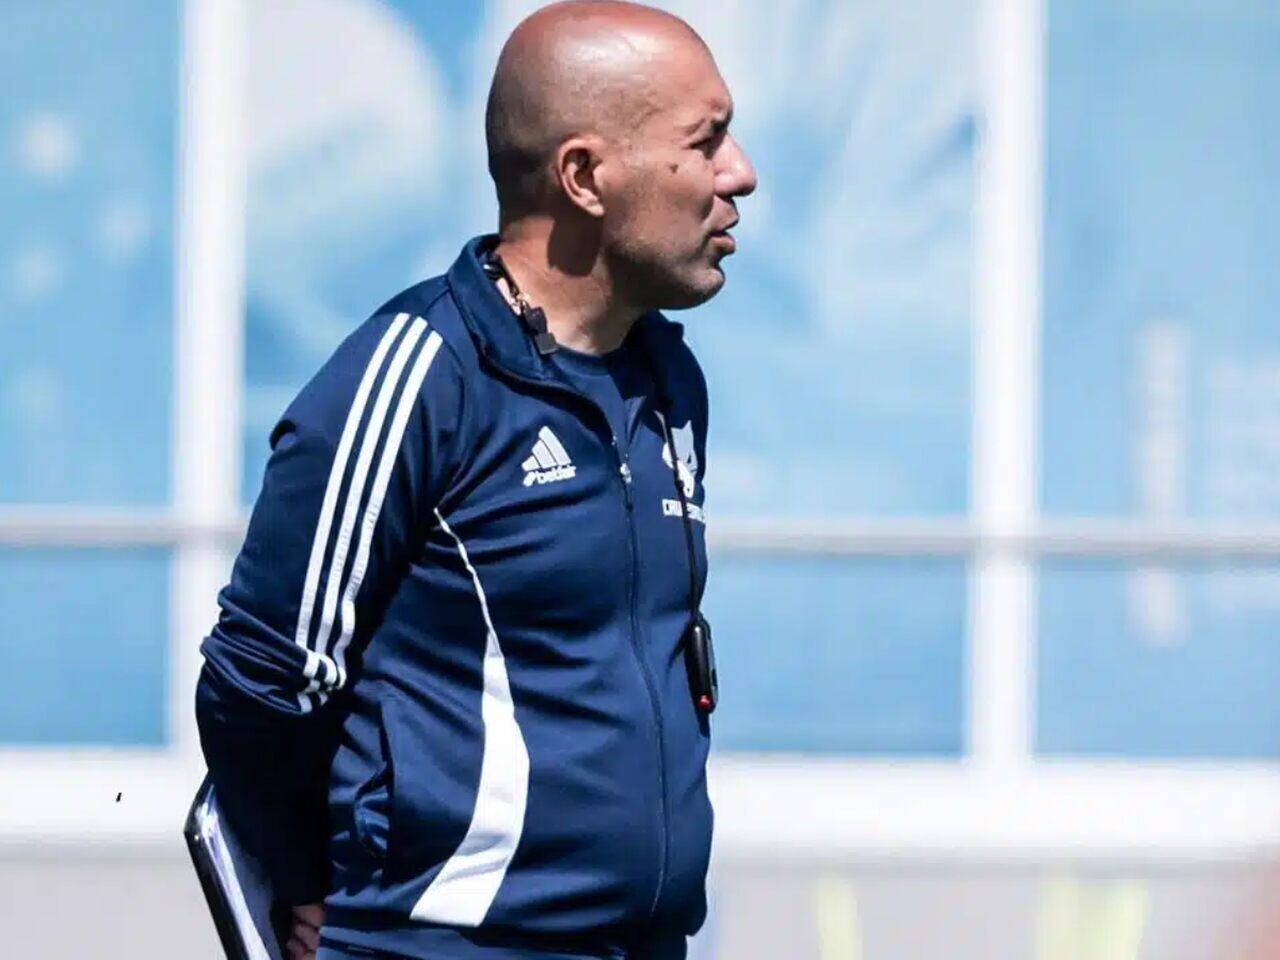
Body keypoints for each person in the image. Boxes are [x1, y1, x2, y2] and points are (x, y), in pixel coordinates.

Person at [195, 2, 757, 958]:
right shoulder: (418, 377)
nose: (738, 173)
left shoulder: (668, 379)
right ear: (584, 176)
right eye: (705, 142)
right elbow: (260, 678)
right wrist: (302, 881)